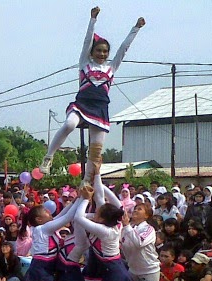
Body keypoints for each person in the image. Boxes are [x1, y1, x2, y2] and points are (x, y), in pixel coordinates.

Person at [39, 5, 145, 182]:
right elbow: (87, 40)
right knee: (69, 125)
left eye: (105, 51)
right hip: (81, 106)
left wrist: (136, 28)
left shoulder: (111, 67)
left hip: (100, 110)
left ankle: (86, 183)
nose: (102, 54)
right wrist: (93, 20)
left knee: (95, 153)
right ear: (92, 52)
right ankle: (48, 157)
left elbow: (123, 49)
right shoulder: (84, 64)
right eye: (98, 50)